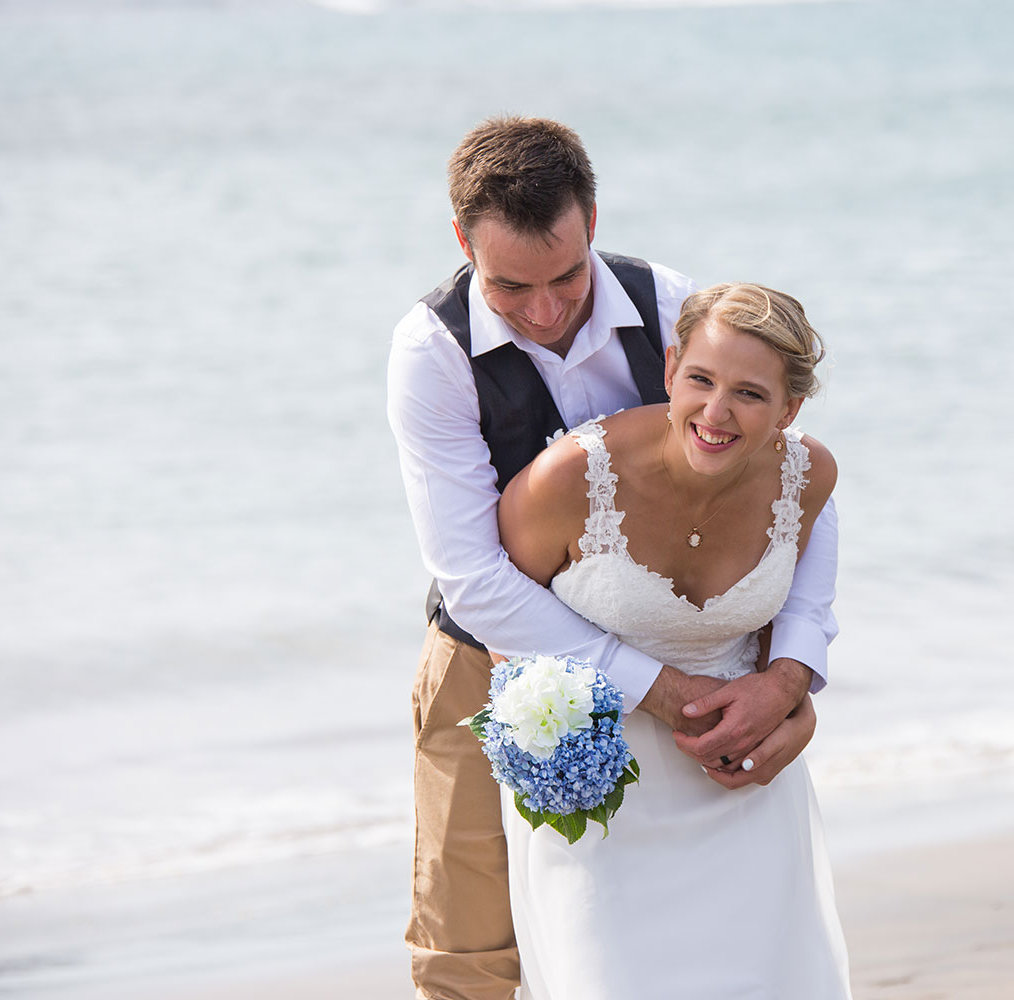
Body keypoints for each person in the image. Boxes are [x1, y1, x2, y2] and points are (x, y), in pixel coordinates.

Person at [386, 116, 840, 1000]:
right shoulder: (431, 352)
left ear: (592, 221)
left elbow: (790, 488)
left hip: (684, 656)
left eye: (566, 277)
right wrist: (659, 690)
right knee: (466, 954)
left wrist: (790, 679)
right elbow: (475, 578)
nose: (548, 312)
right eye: (512, 286)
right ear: (461, 241)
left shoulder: (674, 308)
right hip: (493, 661)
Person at [495, 282, 851, 998]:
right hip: (594, 800)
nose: (716, 414)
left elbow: (805, 610)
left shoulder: (807, 476)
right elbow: (502, 628)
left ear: (790, 409)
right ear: (669, 369)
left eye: (749, 394)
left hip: (741, 789)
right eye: (700, 380)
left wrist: (787, 695)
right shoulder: (572, 478)